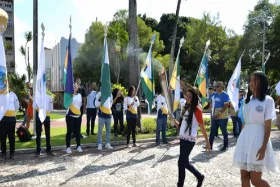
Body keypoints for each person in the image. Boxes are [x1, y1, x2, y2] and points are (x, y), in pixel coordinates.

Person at [233, 71, 279, 187]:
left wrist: (263, 147)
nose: (251, 83)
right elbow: (244, 123)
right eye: (250, 80)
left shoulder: (268, 100)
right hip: (245, 139)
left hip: (258, 140)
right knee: (244, 176)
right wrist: (240, 140)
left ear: (261, 83)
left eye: (254, 80)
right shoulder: (245, 101)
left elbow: (268, 125)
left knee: (255, 180)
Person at [174, 86, 210, 187]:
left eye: (190, 96)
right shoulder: (186, 107)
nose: (188, 98)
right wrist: (175, 122)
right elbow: (182, 125)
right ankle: (199, 176)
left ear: (194, 97)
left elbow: (202, 127)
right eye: (187, 96)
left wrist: (207, 142)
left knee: (181, 163)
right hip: (183, 138)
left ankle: (180, 185)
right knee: (184, 163)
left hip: (189, 140)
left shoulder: (197, 109)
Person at [209, 81, 230, 151]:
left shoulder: (225, 95)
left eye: (217, 86)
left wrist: (219, 114)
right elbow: (212, 104)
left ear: (221, 87)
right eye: (215, 86)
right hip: (214, 114)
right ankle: (209, 145)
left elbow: (226, 106)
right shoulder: (214, 95)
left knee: (224, 131)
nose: (216, 88)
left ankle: (225, 146)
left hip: (222, 116)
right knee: (212, 131)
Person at [0, 91, 19, 159]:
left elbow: (17, 106)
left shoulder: (13, 94)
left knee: (11, 137)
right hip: (2, 118)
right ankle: (3, 153)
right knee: (2, 137)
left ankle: (12, 153)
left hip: (11, 118)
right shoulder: (0, 94)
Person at [65, 83, 83, 154]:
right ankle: (68, 147)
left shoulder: (79, 95)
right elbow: (67, 104)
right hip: (70, 115)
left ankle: (78, 146)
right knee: (69, 131)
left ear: (77, 88)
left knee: (77, 132)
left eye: (76, 87)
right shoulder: (68, 95)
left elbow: (79, 104)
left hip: (77, 115)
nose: (75, 88)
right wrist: (71, 96)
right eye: (73, 87)